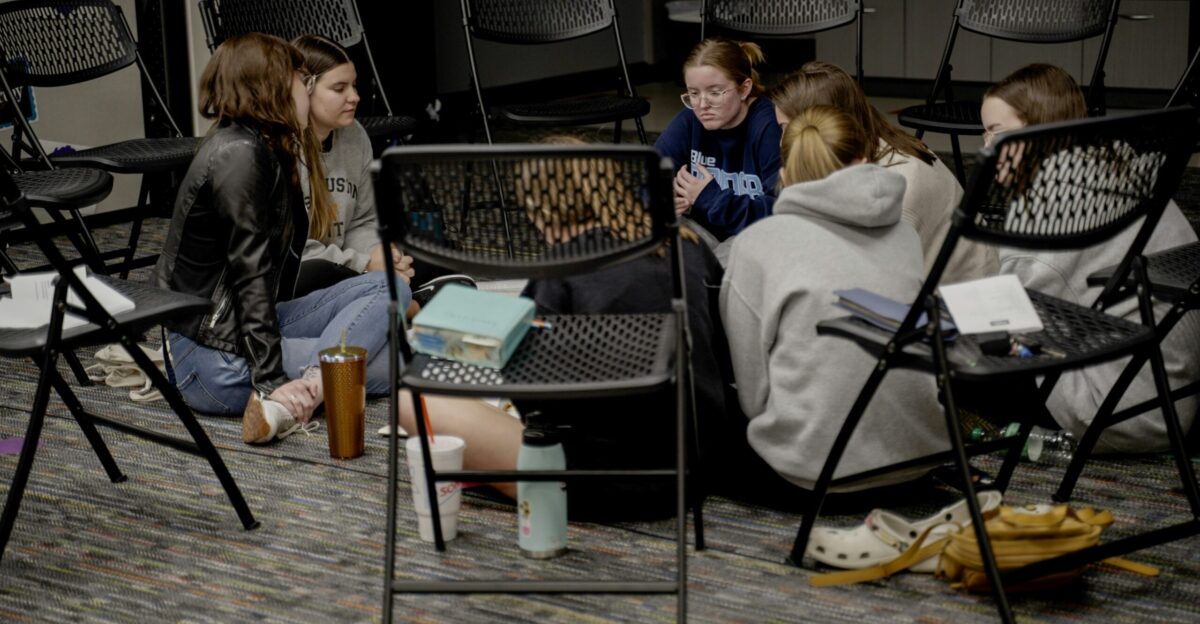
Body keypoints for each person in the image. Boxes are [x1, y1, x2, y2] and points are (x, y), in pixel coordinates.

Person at [398, 136, 738, 521]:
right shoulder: (688, 243)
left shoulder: (562, 269)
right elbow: (722, 353)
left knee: (413, 402)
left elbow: (537, 406)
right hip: (701, 461)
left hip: (603, 478)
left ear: (541, 209)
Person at [154, 33, 410, 444]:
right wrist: (270, 380)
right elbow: (249, 275)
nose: (307, 90)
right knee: (401, 363)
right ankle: (299, 393)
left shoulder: (265, 145)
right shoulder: (238, 155)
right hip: (214, 358)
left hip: (250, 331)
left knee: (390, 287)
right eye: (301, 80)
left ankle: (313, 388)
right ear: (270, 88)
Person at [720, 106, 948, 500]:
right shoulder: (904, 233)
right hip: (917, 460)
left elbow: (752, 394)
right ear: (862, 161)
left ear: (785, 174)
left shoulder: (759, 244)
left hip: (813, 475)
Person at [980, 63, 1200, 453]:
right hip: (1168, 391)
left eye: (996, 133)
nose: (986, 148)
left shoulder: (1045, 209)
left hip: (1115, 409)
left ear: (1038, 129)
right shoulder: (1123, 171)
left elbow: (1011, 324)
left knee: (950, 361)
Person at [770, 61, 997, 285]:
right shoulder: (876, 143)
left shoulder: (895, 187)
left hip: (961, 301)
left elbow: (878, 284)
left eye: (787, 129)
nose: (782, 143)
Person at [290, 34, 472, 307]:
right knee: (314, 272)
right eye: (340, 88)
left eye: (354, 85)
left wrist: (383, 255)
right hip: (308, 270)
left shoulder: (355, 135)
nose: (355, 97)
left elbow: (363, 220)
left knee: (434, 249)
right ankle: (406, 304)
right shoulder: (284, 147)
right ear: (306, 89)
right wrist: (365, 265)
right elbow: (296, 252)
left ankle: (394, 296)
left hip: (348, 261)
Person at [654, 37, 782, 259]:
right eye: (693, 93)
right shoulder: (689, 120)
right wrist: (661, 201)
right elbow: (643, 178)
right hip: (704, 233)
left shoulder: (768, 126)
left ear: (744, 89)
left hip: (753, 236)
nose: (702, 105)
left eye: (715, 92)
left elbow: (782, 213)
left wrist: (709, 197)